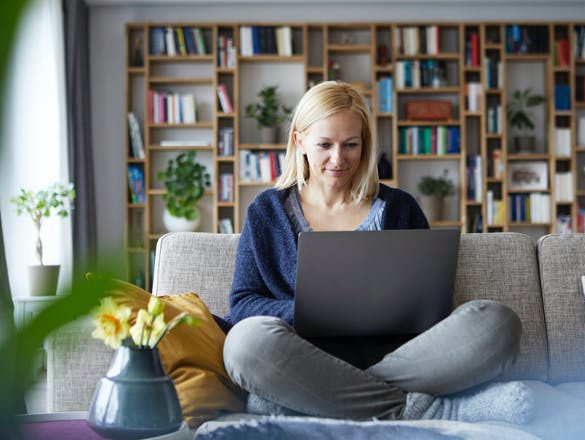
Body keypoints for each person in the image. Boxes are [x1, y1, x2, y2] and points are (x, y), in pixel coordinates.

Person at [222, 81, 533, 424]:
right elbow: (243, 303)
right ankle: (427, 409)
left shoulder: (400, 208)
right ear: (300, 141)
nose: (338, 159)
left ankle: (316, 399)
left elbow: (428, 305)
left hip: (401, 359)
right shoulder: (266, 211)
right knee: (245, 345)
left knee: (498, 323)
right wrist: (312, 311)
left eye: (350, 144)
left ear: (365, 144)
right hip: (305, 358)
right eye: (325, 144)